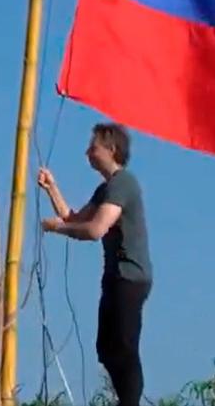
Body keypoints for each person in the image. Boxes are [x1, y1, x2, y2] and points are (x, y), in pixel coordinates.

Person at [38, 122, 152, 406]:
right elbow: (75, 218)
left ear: (111, 149)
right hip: (115, 277)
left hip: (130, 277)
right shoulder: (107, 189)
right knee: (106, 348)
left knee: (124, 347)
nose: (88, 152)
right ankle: (125, 400)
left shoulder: (123, 183)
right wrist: (52, 188)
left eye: (93, 147)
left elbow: (94, 230)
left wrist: (56, 229)